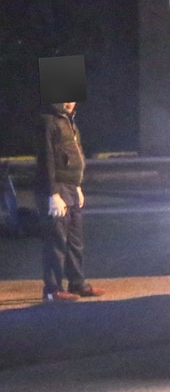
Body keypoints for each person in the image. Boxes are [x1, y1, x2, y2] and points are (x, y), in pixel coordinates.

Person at [36, 101, 103, 302]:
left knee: (75, 240)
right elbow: (46, 159)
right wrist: (53, 194)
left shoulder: (69, 121)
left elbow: (75, 155)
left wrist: (78, 185)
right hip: (57, 188)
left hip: (71, 187)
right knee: (56, 241)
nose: (69, 102)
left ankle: (77, 283)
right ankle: (52, 289)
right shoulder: (48, 122)